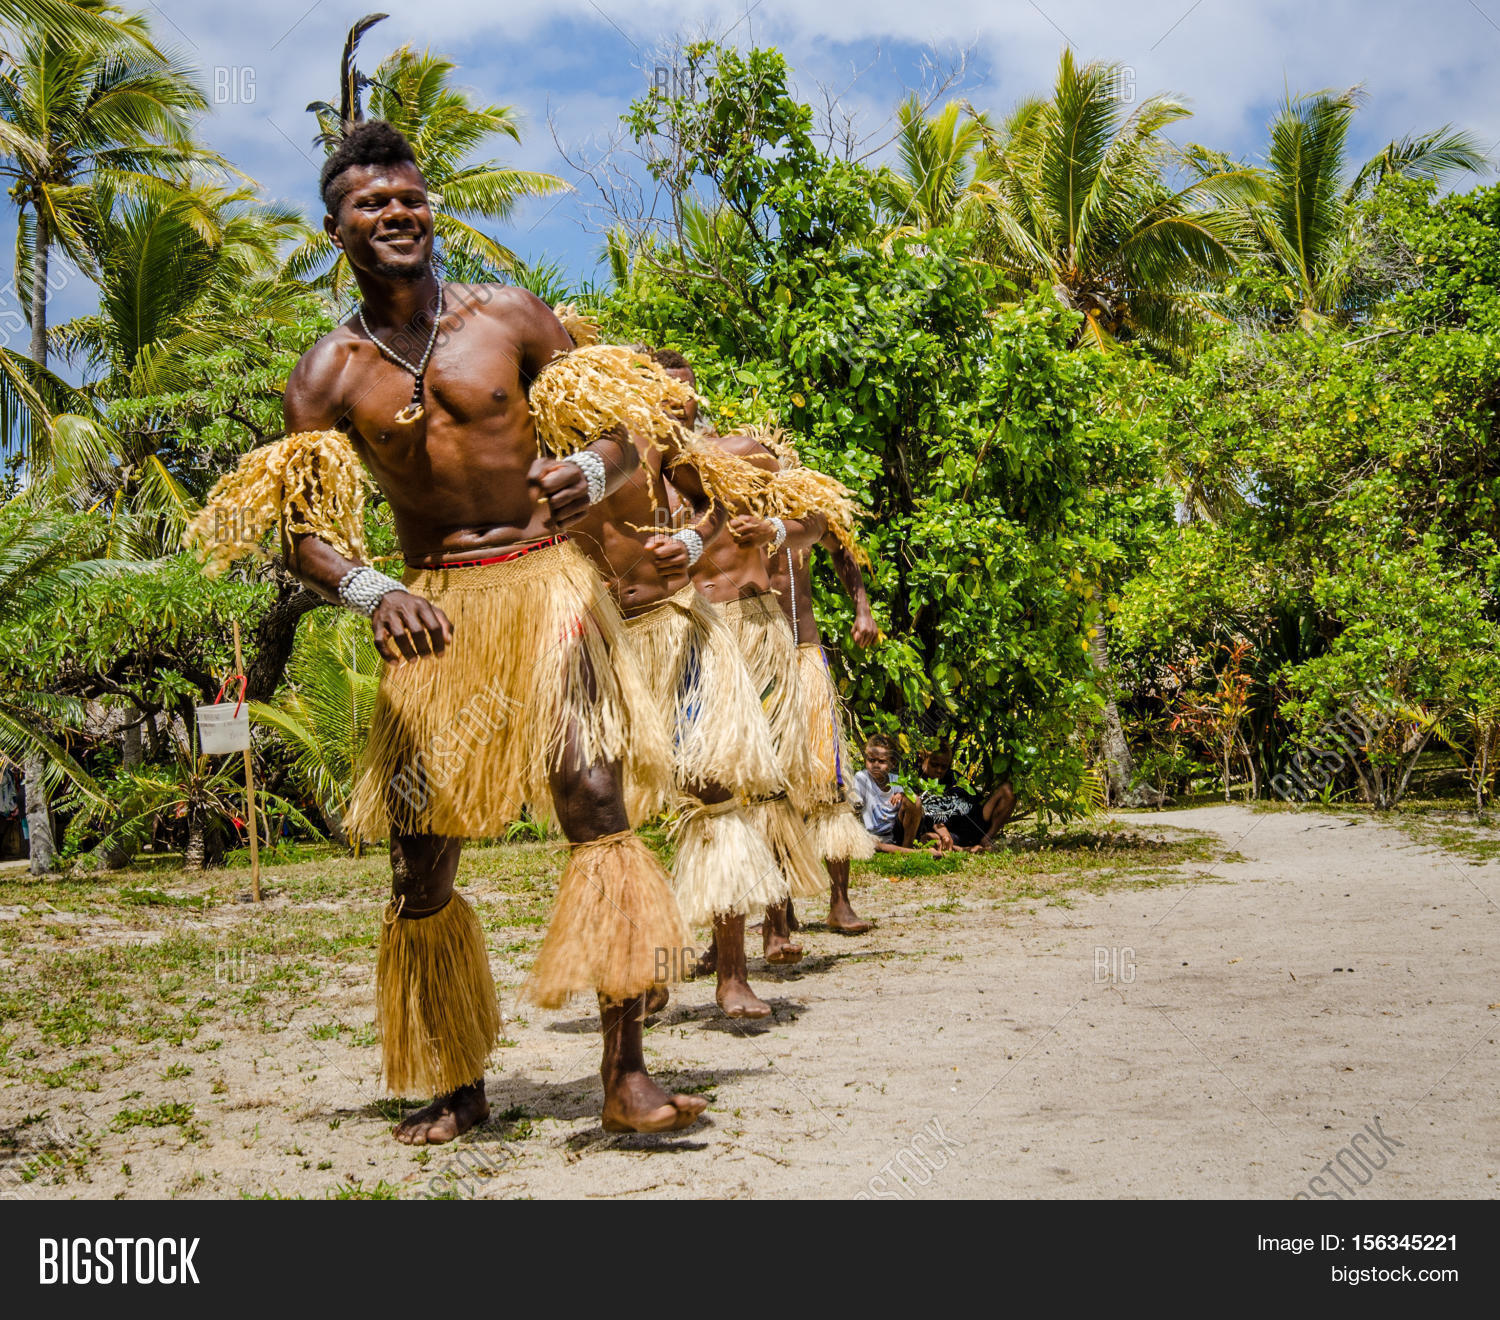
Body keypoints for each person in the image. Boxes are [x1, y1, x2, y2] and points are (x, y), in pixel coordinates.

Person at [189, 120, 704, 1142]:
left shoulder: (507, 317)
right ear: (334, 227)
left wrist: (592, 473)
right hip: (433, 607)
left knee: (595, 798)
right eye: (373, 205)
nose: (398, 215)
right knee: (422, 856)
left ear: (431, 212)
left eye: (411, 200)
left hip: (549, 584)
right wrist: (374, 590)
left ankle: (626, 1074)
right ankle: (457, 1082)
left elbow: (627, 430)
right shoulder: (327, 373)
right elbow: (300, 530)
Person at [564, 347, 794, 1020]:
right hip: (605, 640)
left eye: (686, 392)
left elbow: (722, 504)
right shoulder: (557, 444)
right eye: (667, 390)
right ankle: (646, 970)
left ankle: (732, 975)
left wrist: (694, 542)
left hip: (680, 628)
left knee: (715, 792)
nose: (681, 403)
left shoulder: (663, 447)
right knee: (613, 815)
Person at [764, 442, 879, 934]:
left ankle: (839, 901)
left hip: (807, 658)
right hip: (760, 660)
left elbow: (844, 549)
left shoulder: (805, 513)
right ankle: (778, 905)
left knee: (828, 781)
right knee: (770, 786)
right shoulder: (733, 513)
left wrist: (862, 608)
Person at [916, 743, 1018, 851]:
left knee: (1008, 791)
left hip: (974, 825)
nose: (939, 770)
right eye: (934, 765)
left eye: (944, 767)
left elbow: (976, 802)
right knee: (929, 839)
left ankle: (986, 839)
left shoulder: (954, 778)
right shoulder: (917, 784)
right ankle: (963, 849)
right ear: (924, 760)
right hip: (950, 834)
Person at [851, 734, 926, 852]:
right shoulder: (862, 778)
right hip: (870, 836)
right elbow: (854, 807)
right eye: (871, 760)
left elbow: (915, 804)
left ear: (893, 763)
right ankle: (910, 853)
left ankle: (907, 846)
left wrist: (902, 795)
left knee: (914, 800)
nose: (875, 765)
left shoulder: (896, 781)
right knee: (874, 844)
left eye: (881, 761)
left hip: (893, 834)